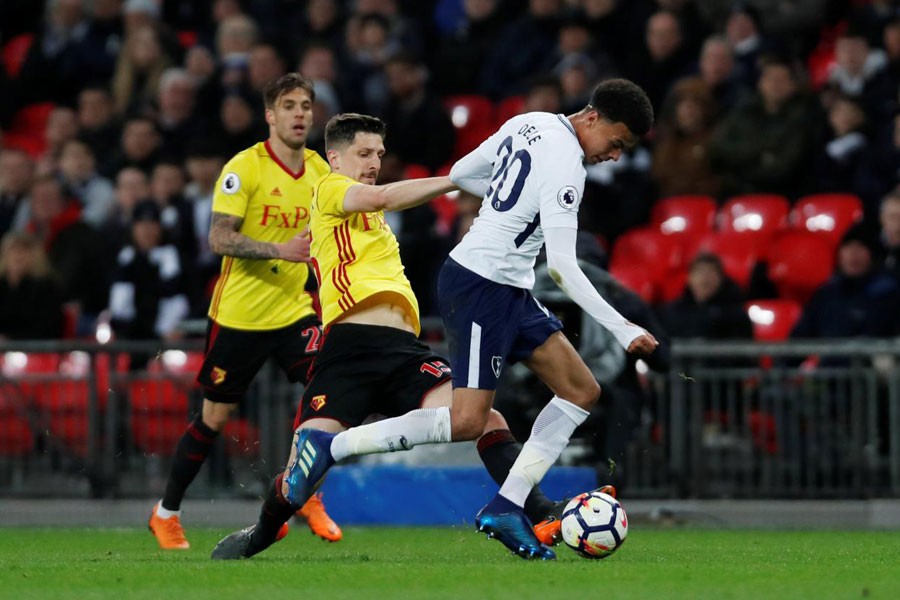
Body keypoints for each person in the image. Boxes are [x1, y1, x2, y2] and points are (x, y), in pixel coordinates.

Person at [275, 80, 658, 561]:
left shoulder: (531, 123)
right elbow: (561, 265)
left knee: (582, 390)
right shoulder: (568, 169)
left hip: (509, 285)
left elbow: (463, 171)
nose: (615, 155)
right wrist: (625, 329)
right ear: (592, 118)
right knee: (468, 420)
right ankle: (333, 447)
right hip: (480, 283)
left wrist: (502, 202)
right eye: (616, 143)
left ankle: (506, 505)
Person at [210, 113, 601, 561]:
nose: (374, 161)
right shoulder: (331, 188)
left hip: (402, 353)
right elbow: (381, 196)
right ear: (334, 158)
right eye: (363, 153)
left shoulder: (371, 219)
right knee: (300, 482)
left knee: (482, 418)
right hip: (349, 351)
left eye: (378, 153)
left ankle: (536, 511)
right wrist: (456, 179)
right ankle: (262, 532)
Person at [147, 73, 339, 550]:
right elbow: (219, 238)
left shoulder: (320, 171)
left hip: (296, 312)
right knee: (214, 418)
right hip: (240, 317)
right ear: (270, 116)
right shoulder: (245, 168)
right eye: (289, 106)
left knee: (330, 391)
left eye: (306, 105)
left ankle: (305, 493)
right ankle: (165, 513)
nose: (300, 114)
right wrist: (281, 249)